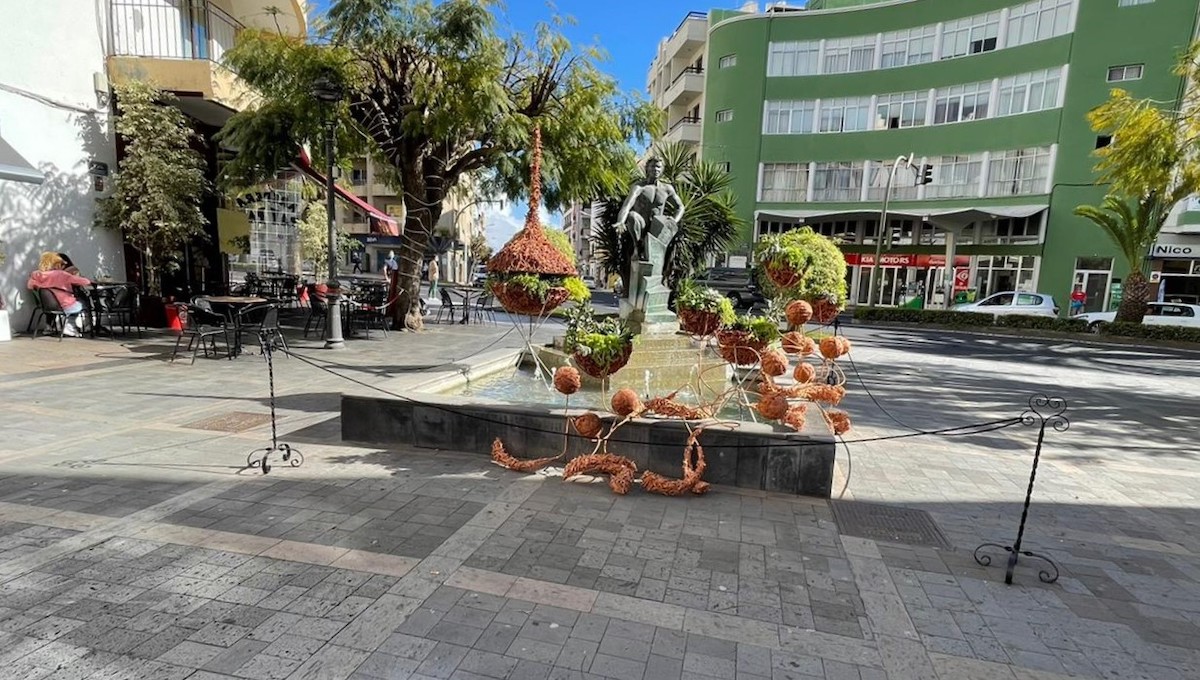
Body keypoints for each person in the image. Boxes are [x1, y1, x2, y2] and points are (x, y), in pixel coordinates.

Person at [28, 251, 91, 336]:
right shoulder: (61, 274)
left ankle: (51, 326)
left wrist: (44, 285)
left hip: (47, 306)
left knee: (75, 304)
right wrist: (88, 281)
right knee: (81, 303)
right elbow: (84, 281)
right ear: (56, 264)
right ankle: (70, 326)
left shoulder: (36, 275)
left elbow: (30, 286)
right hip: (64, 304)